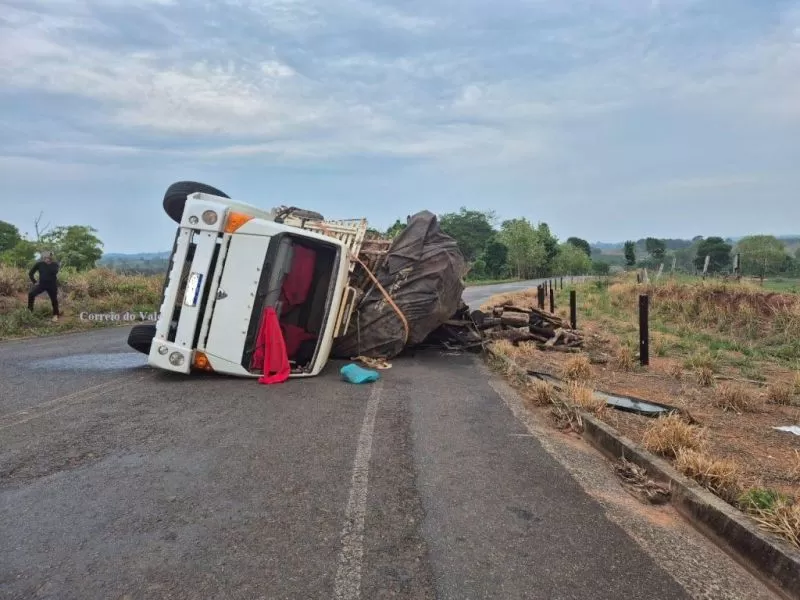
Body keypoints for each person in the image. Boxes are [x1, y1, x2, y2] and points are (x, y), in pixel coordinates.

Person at [28, 251, 60, 321]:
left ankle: (56, 315)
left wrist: (49, 263)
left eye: (49, 257)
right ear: (43, 257)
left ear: (51, 257)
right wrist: (34, 282)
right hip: (42, 285)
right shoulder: (39, 264)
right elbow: (30, 273)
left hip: (52, 285)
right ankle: (30, 312)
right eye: (45, 257)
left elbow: (54, 271)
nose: (47, 258)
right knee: (31, 294)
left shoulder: (55, 265)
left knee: (54, 300)